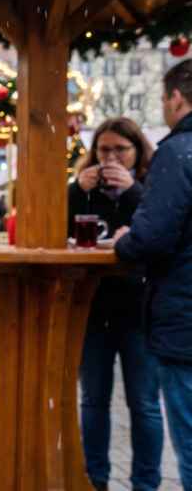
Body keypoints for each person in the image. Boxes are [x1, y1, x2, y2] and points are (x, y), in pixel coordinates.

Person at [69, 117, 162, 491]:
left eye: (120, 150)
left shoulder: (153, 188)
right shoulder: (82, 189)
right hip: (93, 309)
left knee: (144, 405)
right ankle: (95, 480)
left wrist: (135, 190)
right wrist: (76, 189)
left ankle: (146, 483)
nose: (111, 158)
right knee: (93, 401)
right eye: (104, 149)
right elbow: (61, 228)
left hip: (141, 309)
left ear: (137, 151)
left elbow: (159, 231)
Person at [114, 59, 192, 490]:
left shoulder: (178, 152)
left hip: (183, 316)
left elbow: (153, 236)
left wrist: (126, 238)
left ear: (176, 98)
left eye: (164, 99)